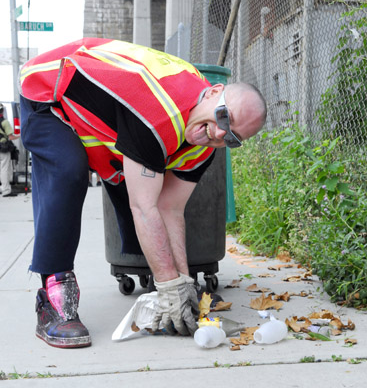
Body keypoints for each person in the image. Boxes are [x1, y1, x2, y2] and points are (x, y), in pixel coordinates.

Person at [19, 38, 267, 349]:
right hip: (51, 88)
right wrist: (169, 285)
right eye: (223, 118)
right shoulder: (158, 112)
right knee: (69, 169)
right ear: (215, 92)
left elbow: (171, 209)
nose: (219, 134)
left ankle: (168, 288)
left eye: (232, 137)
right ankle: (54, 295)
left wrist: (183, 284)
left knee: (146, 212)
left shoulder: (205, 142)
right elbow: (145, 207)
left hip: (104, 110)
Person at [0, 103, 19, 197]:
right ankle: (6, 190)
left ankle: (3, 188)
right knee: (4, 168)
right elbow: (11, 137)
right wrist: (20, 136)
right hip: (3, 148)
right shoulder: (4, 122)